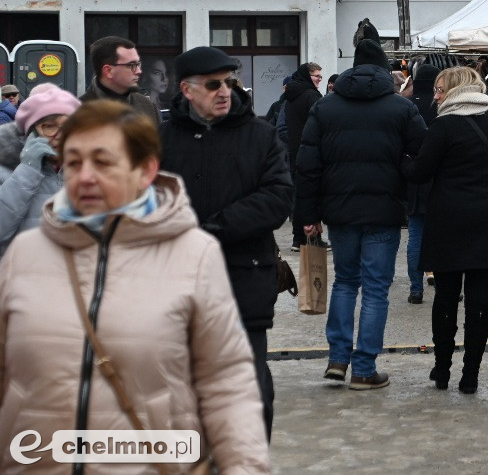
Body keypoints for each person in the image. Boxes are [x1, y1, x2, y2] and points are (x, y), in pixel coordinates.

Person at [0, 100, 270, 472]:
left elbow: (226, 382)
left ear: (146, 171)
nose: (86, 176)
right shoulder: (25, 254)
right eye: (75, 161)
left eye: (104, 161)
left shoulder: (193, 254)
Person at [159, 46, 293, 437]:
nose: (224, 91)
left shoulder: (261, 135)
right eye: (213, 84)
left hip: (243, 279)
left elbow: (277, 199)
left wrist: (210, 230)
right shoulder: (161, 139)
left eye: (229, 82)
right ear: (186, 89)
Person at [295, 38, 426, 390]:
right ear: (385, 70)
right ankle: (364, 368)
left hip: (340, 210)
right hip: (384, 209)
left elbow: (308, 165)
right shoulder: (402, 109)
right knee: (375, 289)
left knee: (345, 281)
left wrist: (307, 213)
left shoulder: (326, 107)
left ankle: (338, 359)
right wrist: (400, 166)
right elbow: (424, 157)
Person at [405, 67, 488, 393]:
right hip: (487, 218)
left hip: (448, 218)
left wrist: (402, 159)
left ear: (454, 91)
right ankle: (471, 375)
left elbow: (421, 172)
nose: (435, 96)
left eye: (440, 90)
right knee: (480, 299)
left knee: (446, 297)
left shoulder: (443, 126)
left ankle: (442, 369)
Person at [0, 83, 80, 257]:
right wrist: (28, 170)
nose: (60, 134)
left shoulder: (85, 170)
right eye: (48, 126)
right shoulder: (5, 170)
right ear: (31, 133)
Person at [405, 63, 440, 304]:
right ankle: (442, 283)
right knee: (442, 234)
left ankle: (416, 288)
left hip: (416, 178)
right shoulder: (442, 105)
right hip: (440, 177)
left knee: (416, 234)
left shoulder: (408, 106)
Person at [80, 35, 161, 126]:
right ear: (108, 71)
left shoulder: (148, 107)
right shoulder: (76, 112)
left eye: (138, 64)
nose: (139, 71)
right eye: (131, 65)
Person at [284, 62, 323, 250]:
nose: (319, 80)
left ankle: (297, 237)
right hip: (311, 150)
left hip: (294, 149)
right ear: (308, 76)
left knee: (299, 194)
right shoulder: (312, 96)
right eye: (316, 76)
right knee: (311, 194)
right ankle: (310, 237)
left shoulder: (290, 95)